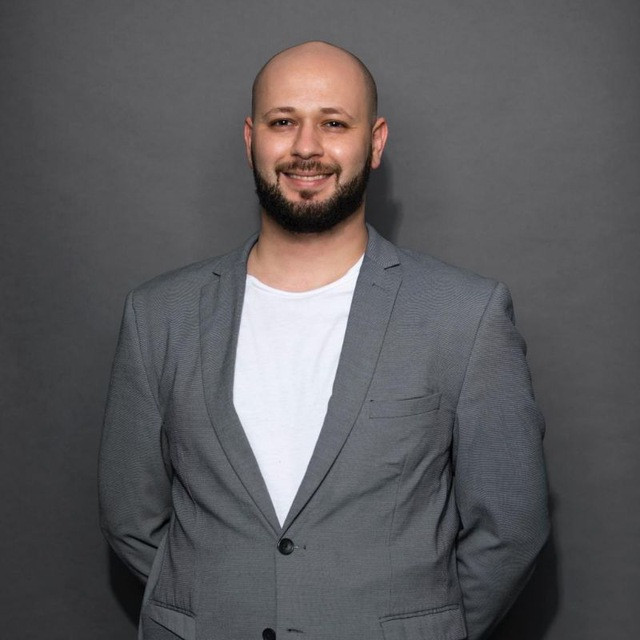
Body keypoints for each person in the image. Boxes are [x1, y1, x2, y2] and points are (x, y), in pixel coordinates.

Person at [99, 41, 549, 640]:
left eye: (334, 123)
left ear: (375, 142)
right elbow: (131, 517)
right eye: (282, 122)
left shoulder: (464, 315)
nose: (306, 147)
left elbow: (511, 526)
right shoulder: (159, 315)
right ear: (250, 139)